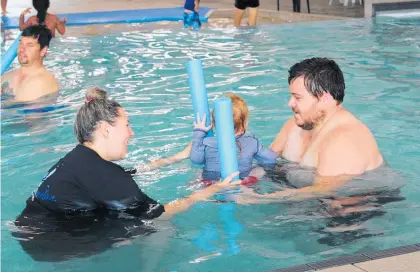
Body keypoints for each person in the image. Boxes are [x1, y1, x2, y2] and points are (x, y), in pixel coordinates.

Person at [12, 91, 240, 261]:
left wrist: (178, 157)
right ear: (106, 129)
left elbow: (129, 172)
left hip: (33, 233)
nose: (131, 133)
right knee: (158, 227)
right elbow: (159, 214)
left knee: (123, 217)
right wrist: (207, 192)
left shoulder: (80, 158)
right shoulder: (104, 174)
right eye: (127, 125)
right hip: (52, 244)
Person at [235, 57, 385, 203]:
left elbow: (324, 190)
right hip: (306, 195)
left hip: (353, 209)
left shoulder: (344, 139)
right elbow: (267, 163)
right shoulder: (296, 124)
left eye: (298, 98)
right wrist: (245, 182)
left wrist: (257, 199)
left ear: (325, 99)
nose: (290, 103)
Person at [190, 93, 277, 183]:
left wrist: (198, 133)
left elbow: (196, 161)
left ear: (214, 123)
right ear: (246, 122)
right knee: (259, 170)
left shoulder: (207, 142)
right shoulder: (251, 141)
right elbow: (270, 158)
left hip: (211, 181)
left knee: (199, 173)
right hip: (241, 180)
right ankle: (249, 181)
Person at [1, 25, 58, 103]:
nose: (22, 49)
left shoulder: (42, 82)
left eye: (29, 45)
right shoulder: (7, 76)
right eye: (21, 43)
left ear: (43, 50)